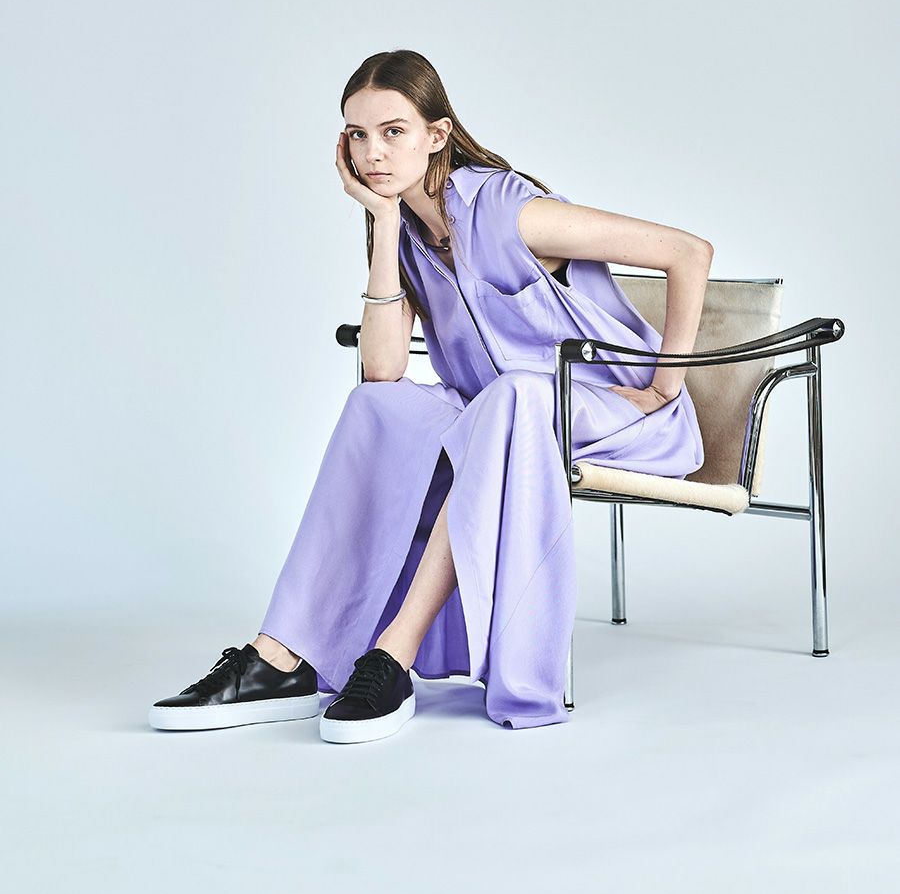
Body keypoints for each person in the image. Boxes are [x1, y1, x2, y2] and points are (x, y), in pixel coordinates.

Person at [149, 49, 711, 743]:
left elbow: (689, 252)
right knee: (376, 408)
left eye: (394, 131)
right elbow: (383, 372)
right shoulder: (411, 232)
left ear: (437, 135)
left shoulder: (508, 211)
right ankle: (282, 655)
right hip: (498, 418)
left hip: (615, 416)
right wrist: (385, 224)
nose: (373, 152)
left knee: (509, 398)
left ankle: (394, 653)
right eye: (358, 134)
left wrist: (663, 385)